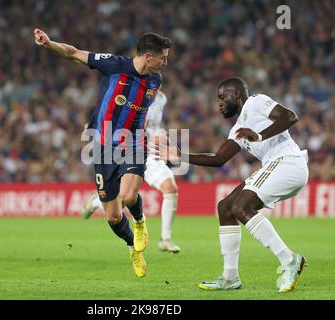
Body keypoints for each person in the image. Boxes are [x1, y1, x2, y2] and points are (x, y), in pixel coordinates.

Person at [34, 28, 171, 278]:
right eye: (163, 57)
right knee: (112, 216)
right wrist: (50, 44)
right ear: (148, 56)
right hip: (103, 146)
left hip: (133, 142)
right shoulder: (115, 65)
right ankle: (133, 248)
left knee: (129, 196)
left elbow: (132, 110)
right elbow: (73, 53)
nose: (166, 62)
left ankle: (140, 222)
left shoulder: (155, 80)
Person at [153, 77, 309, 293]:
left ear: (236, 94)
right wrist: (180, 156)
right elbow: (218, 159)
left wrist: (260, 135)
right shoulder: (237, 129)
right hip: (277, 166)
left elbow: (290, 117)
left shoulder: (256, 102)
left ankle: (290, 260)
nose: (219, 103)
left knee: (242, 207)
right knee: (226, 207)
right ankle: (230, 278)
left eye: (222, 97)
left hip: (287, 162)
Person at [82, 90, 180, 253]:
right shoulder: (131, 94)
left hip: (151, 153)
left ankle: (165, 239)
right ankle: (97, 202)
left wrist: (161, 135)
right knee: (124, 199)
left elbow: (154, 126)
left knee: (171, 189)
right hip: (131, 148)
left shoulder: (161, 98)